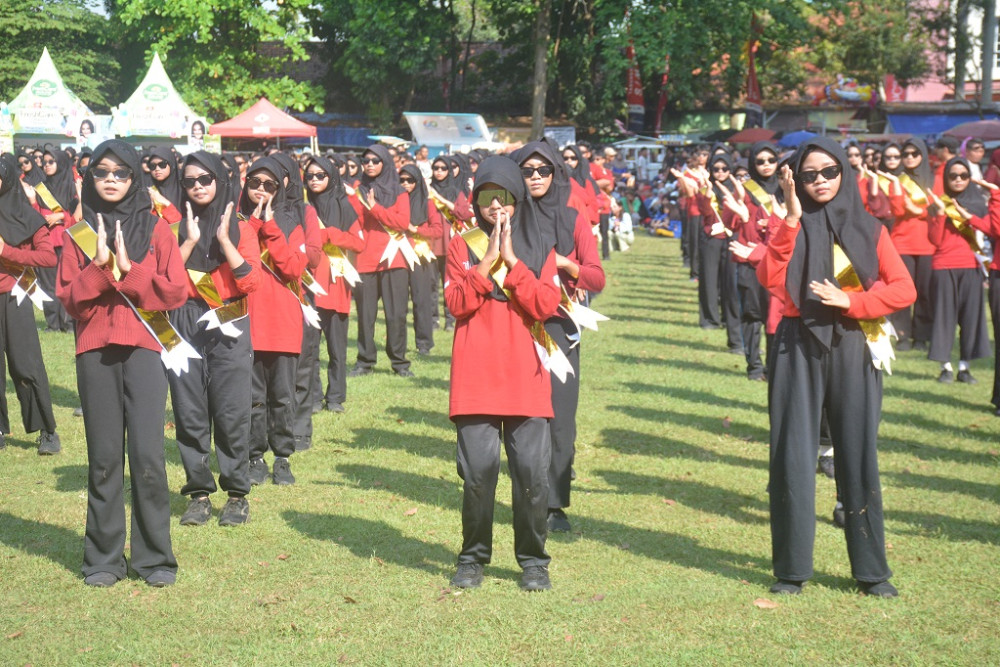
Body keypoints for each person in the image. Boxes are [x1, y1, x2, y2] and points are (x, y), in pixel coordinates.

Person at [757, 137, 915, 598]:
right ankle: (791, 570)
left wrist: (854, 301)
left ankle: (872, 572)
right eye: (809, 175)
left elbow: (903, 290)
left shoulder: (871, 229)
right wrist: (789, 215)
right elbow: (769, 279)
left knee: (857, 454)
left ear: (844, 172)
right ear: (795, 180)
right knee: (792, 455)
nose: (820, 181)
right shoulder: (789, 223)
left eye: (829, 171)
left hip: (853, 344)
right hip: (795, 345)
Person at [57, 139, 188, 587]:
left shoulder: (157, 229)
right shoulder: (76, 233)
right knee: (105, 458)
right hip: (94, 351)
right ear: (89, 178)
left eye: (120, 172)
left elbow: (175, 293)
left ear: (136, 178)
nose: (110, 179)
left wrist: (130, 272)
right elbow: (69, 301)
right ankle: (103, 560)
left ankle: (154, 559)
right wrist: (96, 270)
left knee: (149, 455)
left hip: (146, 350)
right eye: (101, 172)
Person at [445, 155, 561, 592]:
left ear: (518, 199)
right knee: (478, 472)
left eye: (505, 199)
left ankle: (533, 561)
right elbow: (457, 304)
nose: (496, 208)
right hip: (476, 372)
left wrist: (511, 262)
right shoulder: (462, 244)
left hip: (526, 374)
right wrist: (485, 261)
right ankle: (472, 557)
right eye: (487, 198)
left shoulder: (541, 243)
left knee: (531, 473)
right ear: (476, 202)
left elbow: (545, 306)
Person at [516, 141, 605, 533]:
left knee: (560, 419)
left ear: (556, 174)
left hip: (558, 326)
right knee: (521, 415)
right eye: (527, 170)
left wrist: (566, 264)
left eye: (543, 170)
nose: (535, 176)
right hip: (516, 323)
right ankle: (526, 493)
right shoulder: (509, 216)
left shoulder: (573, 219)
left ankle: (554, 504)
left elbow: (596, 276)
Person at [170, 151, 261, 527]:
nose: (197, 187)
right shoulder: (172, 227)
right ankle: (199, 493)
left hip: (229, 321)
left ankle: (237, 494)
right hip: (186, 321)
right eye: (189, 181)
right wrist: (189, 242)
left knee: (231, 410)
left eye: (205, 179)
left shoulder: (243, 228)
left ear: (221, 181)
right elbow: (166, 284)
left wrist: (224, 240)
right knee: (189, 410)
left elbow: (251, 282)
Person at [240, 157, 312, 486]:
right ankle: (254, 456)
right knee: (252, 396)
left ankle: (282, 456)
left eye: (269, 185)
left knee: (283, 396)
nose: (261, 190)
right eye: (255, 183)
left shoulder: (293, 220)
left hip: (283, 322)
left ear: (281, 187)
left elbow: (295, 268)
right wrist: (253, 225)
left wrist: (269, 228)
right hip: (249, 320)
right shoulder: (237, 219)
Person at [0, 155, 62, 454]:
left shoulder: (27, 215)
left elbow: (48, 257)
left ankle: (47, 431)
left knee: (25, 365)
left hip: (15, 295)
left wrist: (7, 251)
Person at [304, 156, 365, 413]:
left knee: (337, 347)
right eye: (310, 176)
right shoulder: (301, 207)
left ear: (331, 176)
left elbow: (360, 243)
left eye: (320, 175)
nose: (315, 180)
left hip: (336, 284)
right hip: (307, 283)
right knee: (309, 348)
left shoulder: (345, 206)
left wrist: (330, 234)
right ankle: (314, 397)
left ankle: (336, 397)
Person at [347, 145, 413, 378]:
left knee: (396, 315)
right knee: (365, 315)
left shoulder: (399, 192)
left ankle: (400, 362)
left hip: (393, 259)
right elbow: (351, 220)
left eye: (375, 160)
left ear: (385, 162)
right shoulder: (357, 190)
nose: (370, 164)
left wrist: (375, 208)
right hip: (364, 259)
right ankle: (365, 361)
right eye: (366, 160)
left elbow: (402, 223)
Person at [925, 158, 992, 384]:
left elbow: (988, 232)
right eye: (953, 176)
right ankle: (946, 367)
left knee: (971, 319)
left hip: (971, 266)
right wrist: (940, 213)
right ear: (946, 178)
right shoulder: (937, 203)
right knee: (944, 319)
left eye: (963, 175)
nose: (958, 180)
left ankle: (965, 367)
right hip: (943, 266)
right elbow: (934, 239)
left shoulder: (978, 204)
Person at [399, 164, 444, 355]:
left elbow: (438, 230)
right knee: (399, 304)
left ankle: (424, 344)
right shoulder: (394, 202)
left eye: (410, 180)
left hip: (420, 256)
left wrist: (416, 230)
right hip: (398, 255)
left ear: (418, 182)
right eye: (401, 180)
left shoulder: (428, 203)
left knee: (421, 300)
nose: (405, 184)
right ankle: (398, 345)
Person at [35, 148, 82, 333]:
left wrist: (61, 216)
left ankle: (69, 322)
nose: (46, 165)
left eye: (51, 161)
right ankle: (52, 323)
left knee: (68, 281)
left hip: (68, 240)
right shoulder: (41, 189)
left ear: (61, 162)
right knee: (48, 283)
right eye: (44, 162)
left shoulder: (73, 187)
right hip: (47, 241)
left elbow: (80, 214)